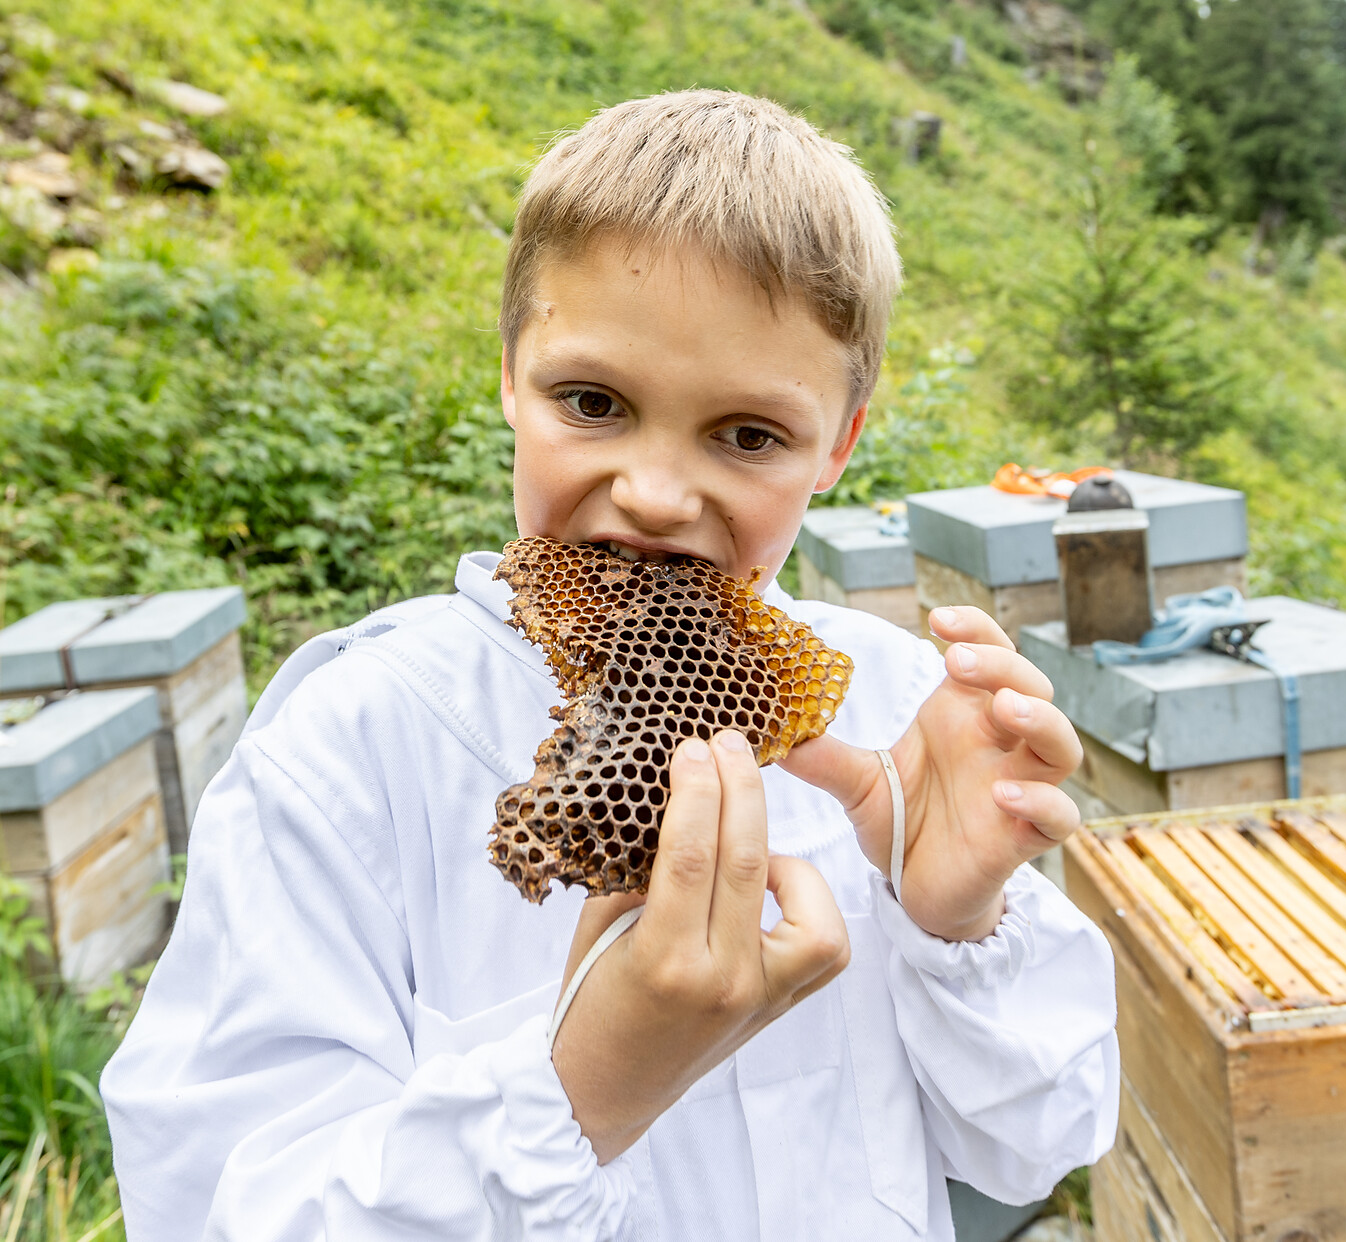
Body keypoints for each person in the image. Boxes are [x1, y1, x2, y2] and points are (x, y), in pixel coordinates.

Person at [101, 90, 1119, 1240]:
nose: (655, 493)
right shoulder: (356, 749)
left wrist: (958, 919)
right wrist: (584, 1086)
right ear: (508, 378)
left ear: (838, 443)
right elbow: (205, 1207)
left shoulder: (890, 712)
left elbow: (1043, 1144)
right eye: (593, 404)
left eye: (748, 435)